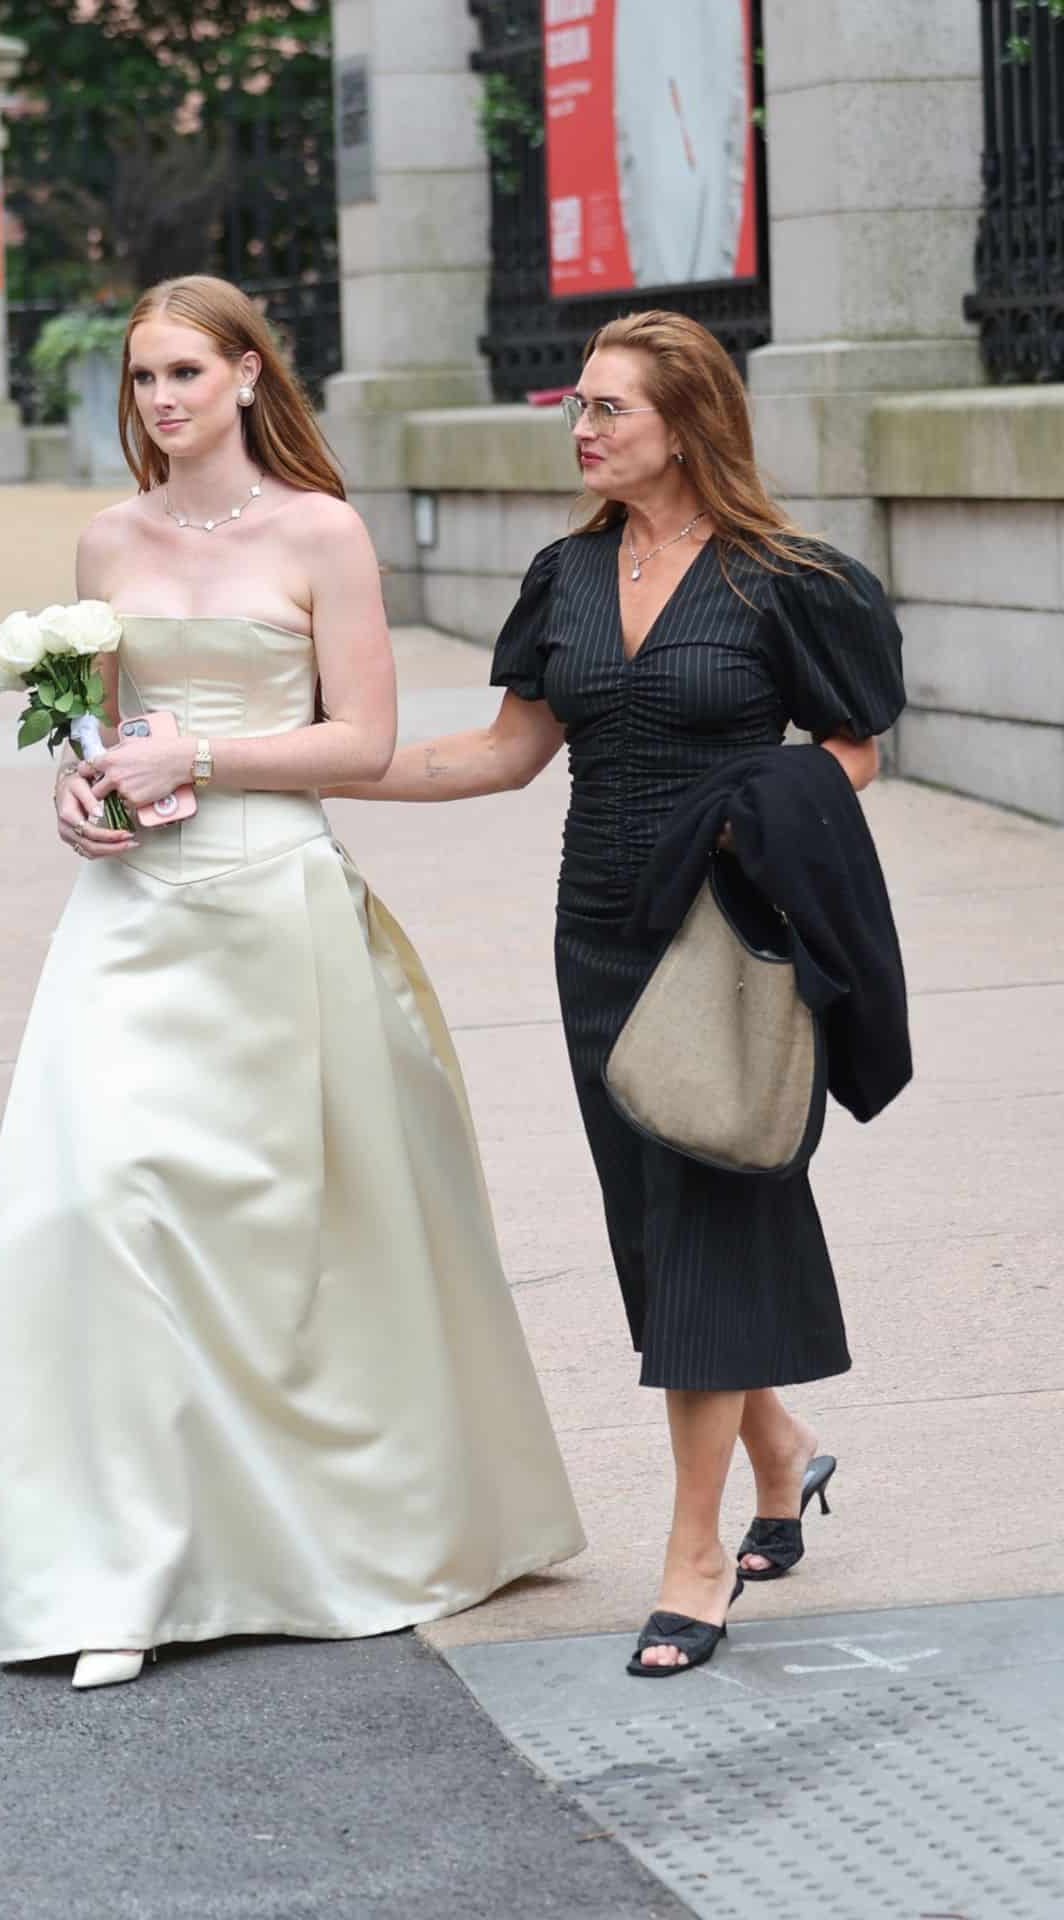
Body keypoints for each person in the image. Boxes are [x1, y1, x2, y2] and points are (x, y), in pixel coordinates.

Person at [0, 274, 584, 1691]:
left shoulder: (323, 533)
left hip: (274, 903)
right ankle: (115, 1568)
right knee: (85, 1209)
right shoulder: (105, 538)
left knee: (295, 1242)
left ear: (250, 376)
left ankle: (320, 1536)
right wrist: (89, 799)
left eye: (187, 371)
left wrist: (201, 758)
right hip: (131, 913)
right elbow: (108, 740)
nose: (164, 399)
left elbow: (363, 743)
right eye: (143, 380)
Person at [328, 310, 907, 1676]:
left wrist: (757, 814)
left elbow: (852, 754)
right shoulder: (568, 576)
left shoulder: (787, 581)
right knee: (651, 1233)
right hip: (598, 939)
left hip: (729, 941)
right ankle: (784, 1450)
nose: (582, 431)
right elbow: (504, 752)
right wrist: (310, 769)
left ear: (688, 424)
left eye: (609, 410)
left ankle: (696, 1556)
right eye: (577, 407)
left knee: (706, 1212)